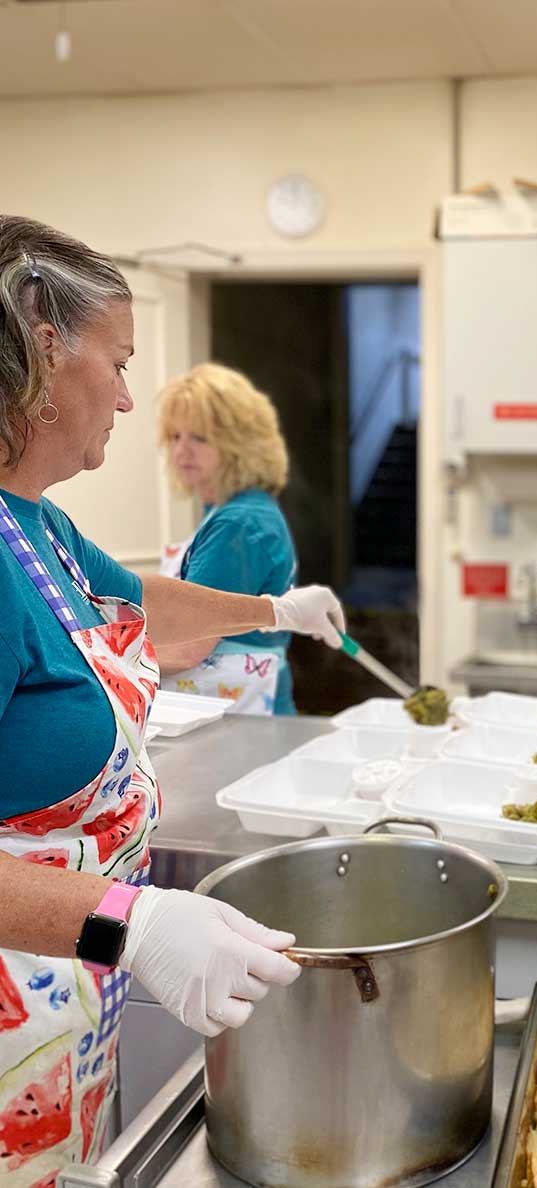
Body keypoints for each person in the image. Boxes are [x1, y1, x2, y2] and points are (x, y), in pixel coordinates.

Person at [0, 214, 346, 1177]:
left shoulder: (39, 527)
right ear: (40, 345)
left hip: (61, 998)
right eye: (115, 361)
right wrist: (132, 920)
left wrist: (272, 607)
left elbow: (142, 598)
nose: (124, 393)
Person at [156, 363, 306, 715]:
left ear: (240, 443)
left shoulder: (239, 525)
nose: (182, 451)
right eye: (175, 437)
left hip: (238, 721)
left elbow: (187, 647)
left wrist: (100, 659)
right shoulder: (241, 511)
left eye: (200, 437)